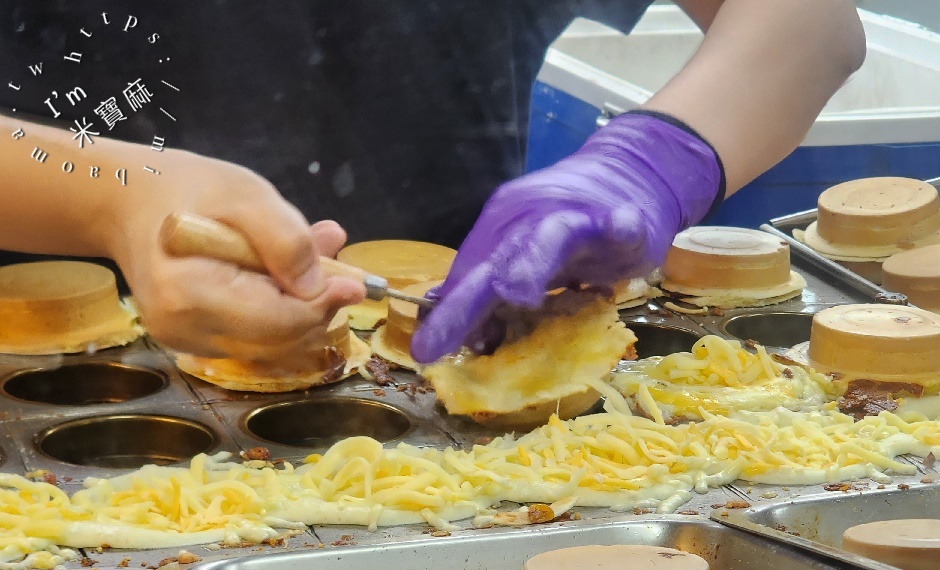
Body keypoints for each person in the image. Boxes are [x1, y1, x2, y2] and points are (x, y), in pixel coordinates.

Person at [0, 0, 865, 362]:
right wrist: (111, 197)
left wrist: (647, 163)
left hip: (459, 361)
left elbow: (808, 22)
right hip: (44, 378)